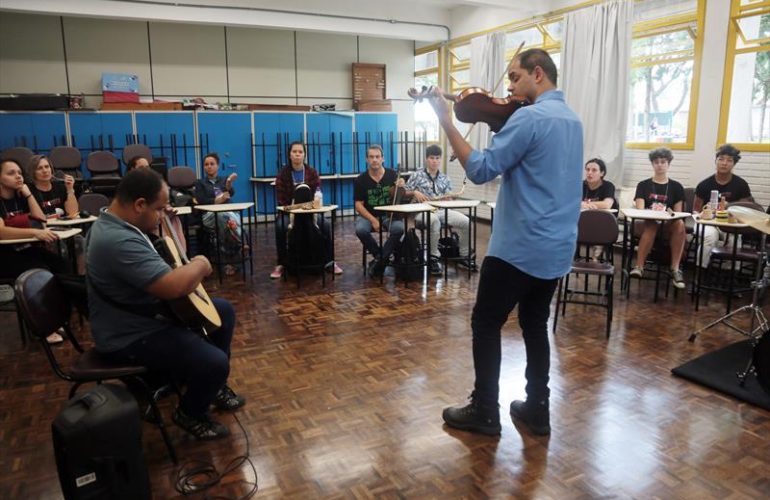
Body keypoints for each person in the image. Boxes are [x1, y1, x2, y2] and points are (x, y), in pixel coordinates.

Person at [425, 48, 583, 436]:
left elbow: (480, 169)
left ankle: (484, 410)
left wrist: (446, 120)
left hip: (519, 246)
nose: (509, 86)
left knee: (486, 321)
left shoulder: (528, 118)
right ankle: (537, 409)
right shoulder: (573, 120)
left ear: (539, 75)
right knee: (534, 323)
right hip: (557, 246)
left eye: (515, 77)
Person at [87, 168, 245, 440]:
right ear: (139, 205)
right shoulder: (117, 240)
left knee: (223, 311)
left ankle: (213, 387)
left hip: (148, 317)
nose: (161, 215)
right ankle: (191, 412)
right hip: (129, 335)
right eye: (158, 209)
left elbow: (164, 265)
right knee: (215, 363)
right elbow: (172, 286)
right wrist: (201, 263)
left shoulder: (117, 224)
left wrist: (164, 227)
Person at [0, 158, 67, 344]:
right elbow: (1, 232)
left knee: (60, 264)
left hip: (23, 248)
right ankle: (41, 326)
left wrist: (29, 195)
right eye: (11, 173)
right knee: (39, 271)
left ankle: (55, 316)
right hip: (4, 255)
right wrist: (34, 232)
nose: (18, 176)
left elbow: (40, 219)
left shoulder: (20, 197)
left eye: (19, 173)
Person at [271, 141, 342, 279]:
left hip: (311, 213)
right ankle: (281, 264)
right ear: (289, 155)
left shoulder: (312, 172)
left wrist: (309, 207)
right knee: (280, 226)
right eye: (294, 152)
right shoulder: (282, 175)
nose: (297, 155)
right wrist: (298, 207)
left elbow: (317, 196)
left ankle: (329, 262)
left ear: (304, 155)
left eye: (300, 152)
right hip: (289, 213)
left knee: (325, 225)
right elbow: (282, 201)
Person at [404, 145, 471, 275]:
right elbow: (403, 192)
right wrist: (414, 192)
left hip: (441, 210)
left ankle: (464, 256)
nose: (435, 161)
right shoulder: (417, 175)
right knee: (434, 221)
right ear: (426, 159)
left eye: (437, 158)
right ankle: (433, 259)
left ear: (440, 160)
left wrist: (449, 200)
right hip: (421, 211)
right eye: (431, 158)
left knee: (465, 221)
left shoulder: (445, 178)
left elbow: (450, 199)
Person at [630, 148, 686, 289]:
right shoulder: (643, 185)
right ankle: (639, 266)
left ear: (668, 164)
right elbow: (640, 209)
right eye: (656, 162)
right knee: (652, 225)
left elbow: (678, 213)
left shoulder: (676, 186)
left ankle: (675, 269)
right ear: (652, 164)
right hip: (648, 222)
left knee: (679, 224)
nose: (660, 165)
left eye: (663, 162)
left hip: (668, 223)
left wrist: (669, 214)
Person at [693, 144, 753, 268]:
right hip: (708, 223)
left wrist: (729, 206)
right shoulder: (704, 184)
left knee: (734, 240)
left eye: (729, 160)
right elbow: (695, 210)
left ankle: (729, 274)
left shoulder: (741, 184)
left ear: (734, 164)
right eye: (721, 159)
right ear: (716, 161)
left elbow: (746, 208)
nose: (724, 163)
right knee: (710, 237)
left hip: (730, 223)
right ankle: (700, 271)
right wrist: (705, 213)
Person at [354, 144, 405, 278]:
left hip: (389, 216)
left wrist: (401, 186)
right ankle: (382, 257)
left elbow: (401, 196)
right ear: (366, 159)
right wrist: (373, 220)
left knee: (399, 228)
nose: (374, 160)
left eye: (377, 157)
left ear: (383, 159)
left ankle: (379, 260)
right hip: (369, 216)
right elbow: (358, 205)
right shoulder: (361, 179)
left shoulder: (392, 174)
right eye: (371, 157)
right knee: (360, 229)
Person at [193, 153, 243, 276]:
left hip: (228, 212)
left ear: (218, 166)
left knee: (227, 220)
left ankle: (232, 256)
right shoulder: (200, 183)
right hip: (209, 215)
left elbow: (231, 193)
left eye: (212, 164)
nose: (209, 166)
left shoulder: (224, 180)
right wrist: (217, 201)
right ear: (203, 167)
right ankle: (240, 242)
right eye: (206, 164)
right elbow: (201, 200)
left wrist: (229, 185)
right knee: (222, 217)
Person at [126, 155, 187, 254]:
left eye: (147, 167)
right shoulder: (129, 188)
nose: (146, 171)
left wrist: (166, 210)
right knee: (162, 219)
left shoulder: (153, 185)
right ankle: (168, 253)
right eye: (141, 168)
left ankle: (180, 255)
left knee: (174, 219)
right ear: (132, 170)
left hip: (157, 218)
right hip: (140, 221)